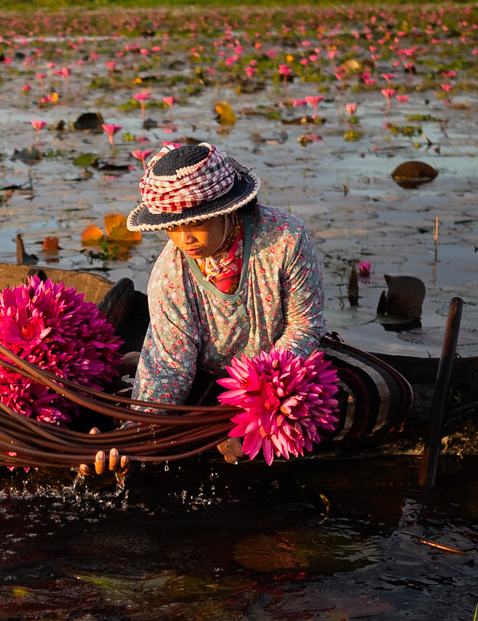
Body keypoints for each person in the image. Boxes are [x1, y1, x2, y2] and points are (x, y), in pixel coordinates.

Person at [83, 141, 326, 475]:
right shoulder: (170, 275)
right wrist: (133, 438)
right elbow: (170, 366)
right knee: (166, 423)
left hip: (281, 377)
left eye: (195, 223)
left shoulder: (285, 240)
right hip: (208, 373)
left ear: (226, 209)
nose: (184, 239)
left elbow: (304, 326)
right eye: (172, 226)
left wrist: (255, 415)